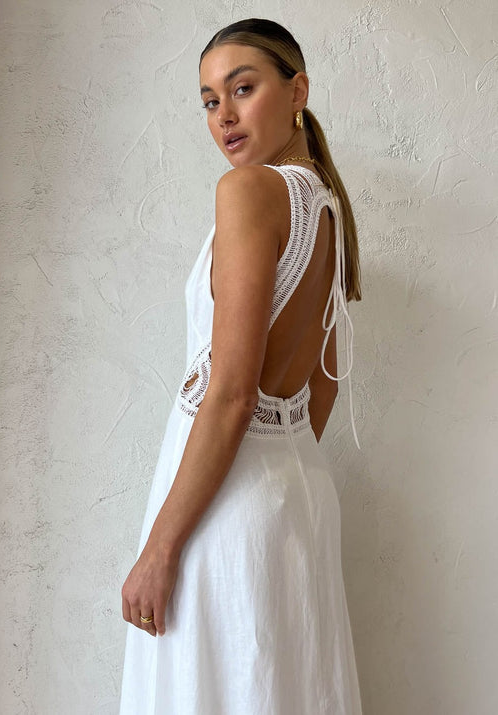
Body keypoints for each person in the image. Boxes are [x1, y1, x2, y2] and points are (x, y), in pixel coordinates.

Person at [119, 17, 363, 715]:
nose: (222, 115)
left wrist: (159, 549)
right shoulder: (327, 210)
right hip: (292, 497)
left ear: (297, 91)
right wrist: (274, 462)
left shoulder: (250, 191)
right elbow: (323, 382)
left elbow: (230, 393)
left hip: (223, 505)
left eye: (243, 88)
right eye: (208, 100)